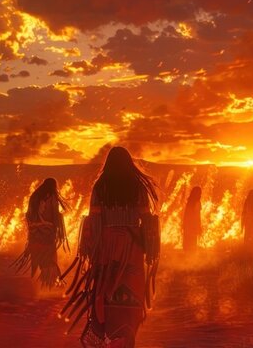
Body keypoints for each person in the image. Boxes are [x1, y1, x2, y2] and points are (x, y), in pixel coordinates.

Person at [60, 146, 160, 348]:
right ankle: (126, 335)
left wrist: (91, 246)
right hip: (132, 247)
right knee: (131, 289)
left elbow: (94, 219)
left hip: (107, 246)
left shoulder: (100, 186)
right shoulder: (137, 187)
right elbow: (147, 218)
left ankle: (108, 335)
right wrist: (150, 244)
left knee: (105, 290)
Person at [12, 178, 68, 287]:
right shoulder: (51, 197)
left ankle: (42, 286)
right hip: (46, 234)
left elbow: (29, 215)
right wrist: (55, 224)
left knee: (41, 260)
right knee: (49, 260)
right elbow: (54, 214)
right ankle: (49, 286)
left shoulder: (34, 196)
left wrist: (34, 226)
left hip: (35, 235)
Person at [182, 186, 202, 251]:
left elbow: (186, 215)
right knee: (192, 244)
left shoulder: (189, 202)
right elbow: (197, 216)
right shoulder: (197, 203)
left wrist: (185, 225)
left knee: (187, 244)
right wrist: (198, 226)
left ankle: (187, 258)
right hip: (192, 226)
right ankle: (190, 258)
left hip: (188, 226)